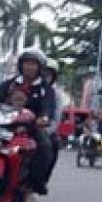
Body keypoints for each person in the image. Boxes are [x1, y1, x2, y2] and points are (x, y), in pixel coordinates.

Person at [0, 48, 55, 202]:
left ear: (39, 67)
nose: (29, 67)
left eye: (33, 64)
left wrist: (44, 117)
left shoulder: (45, 88)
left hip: (30, 128)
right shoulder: (10, 84)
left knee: (46, 146)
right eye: (26, 63)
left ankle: (29, 188)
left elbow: (48, 106)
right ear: (21, 65)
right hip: (3, 125)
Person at [41, 58, 63, 187]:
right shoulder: (17, 85)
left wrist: (48, 129)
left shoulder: (54, 94)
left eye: (48, 74)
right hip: (14, 125)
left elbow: (56, 117)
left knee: (52, 145)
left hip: (40, 128)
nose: (45, 77)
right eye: (42, 73)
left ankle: (39, 182)